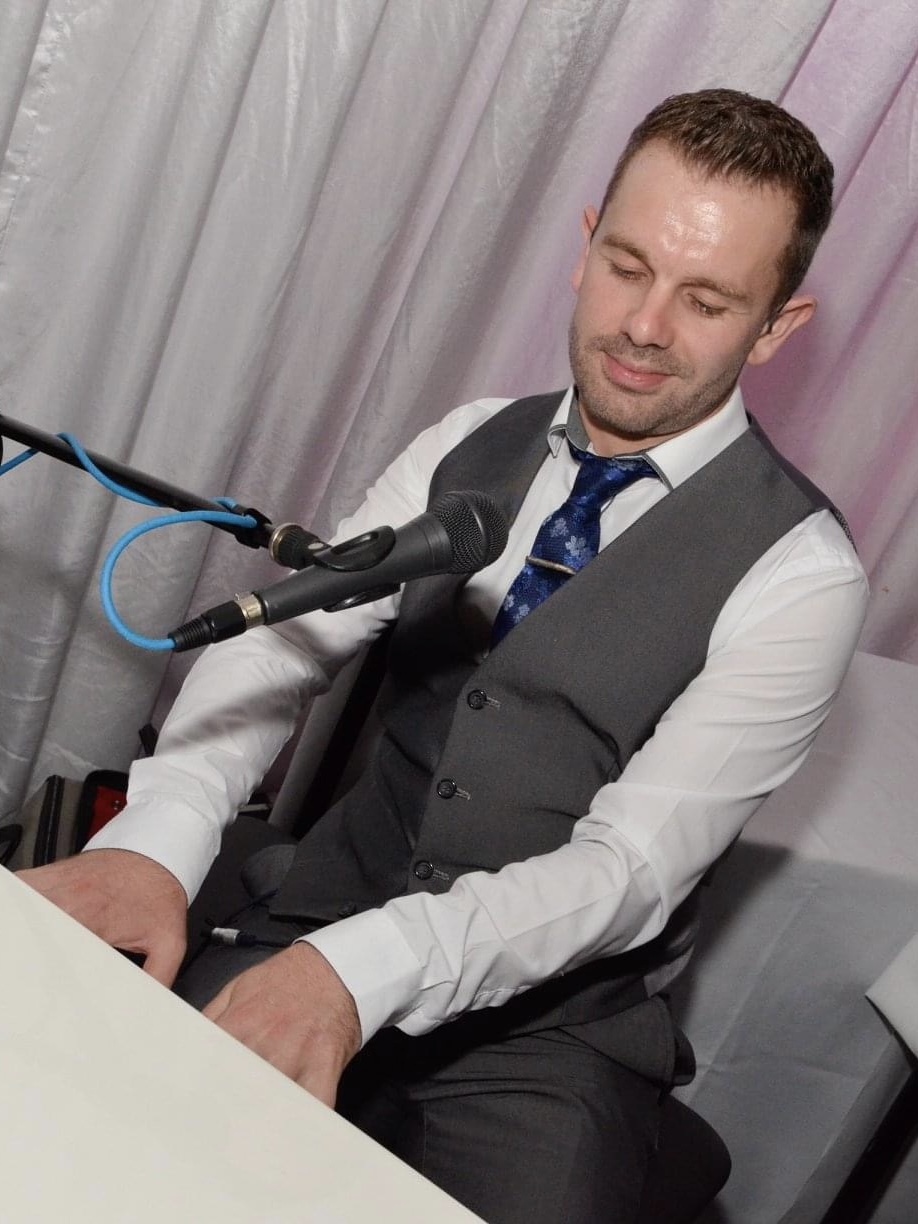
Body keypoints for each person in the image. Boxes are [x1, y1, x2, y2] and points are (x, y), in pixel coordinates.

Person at [20, 89, 868, 1222]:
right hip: (319, 916)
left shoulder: (802, 577)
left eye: (706, 301)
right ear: (584, 246)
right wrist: (161, 838)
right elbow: (289, 644)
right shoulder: (466, 440)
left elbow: (629, 874)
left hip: (543, 1037)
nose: (644, 325)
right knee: (83, 1147)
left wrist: (364, 972)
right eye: (626, 266)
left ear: (775, 329)